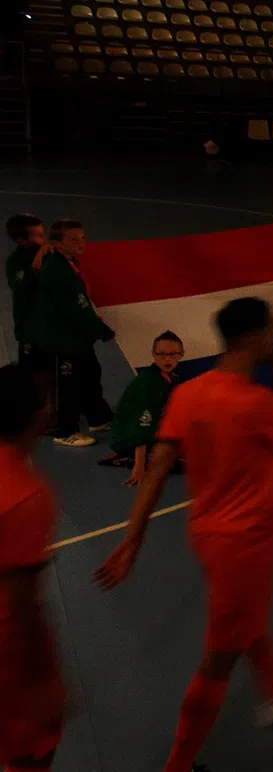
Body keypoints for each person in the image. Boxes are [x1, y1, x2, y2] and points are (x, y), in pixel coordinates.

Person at [93, 297, 273, 769]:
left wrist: (132, 539)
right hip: (246, 544)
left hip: (207, 535)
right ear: (254, 338)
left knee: (244, 618)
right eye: (272, 330)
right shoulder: (257, 403)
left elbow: (159, 466)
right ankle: (178, 764)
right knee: (218, 658)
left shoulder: (190, 393)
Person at [0, 363, 61, 772]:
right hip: (8, 666)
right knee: (32, 756)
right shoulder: (27, 496)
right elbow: (21, 610)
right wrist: (43, 684)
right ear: (40, 414)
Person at [35, 220, 114, 447]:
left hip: (76, 338)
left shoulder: (68, 263)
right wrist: (101, 330)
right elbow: (76, 307)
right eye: (73, 239)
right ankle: (64, 431)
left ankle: (98, 418)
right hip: (63, 340)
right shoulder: (56, 270)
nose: (81, 243)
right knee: (68, 385)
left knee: (90, 375)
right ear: (57, 244)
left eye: (82, 238)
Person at [100, 331, 183, 485]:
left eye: (173, 354)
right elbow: (141, 427)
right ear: (153, 354)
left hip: (150, 432)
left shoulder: (168, 377)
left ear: (181, 355)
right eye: (162, 354)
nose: (167, 359)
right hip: (132, 438)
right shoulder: (148, 384)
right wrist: (139, 466)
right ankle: (130, 457)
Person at [6, 213, 46, 370]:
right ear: (21, 240)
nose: (43, 240)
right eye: (38, 236)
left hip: (47, 326)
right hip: (29, 330)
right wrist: (36, 264)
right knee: (31, 373)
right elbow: (18, 285)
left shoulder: (48, 255)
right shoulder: (15, 262)